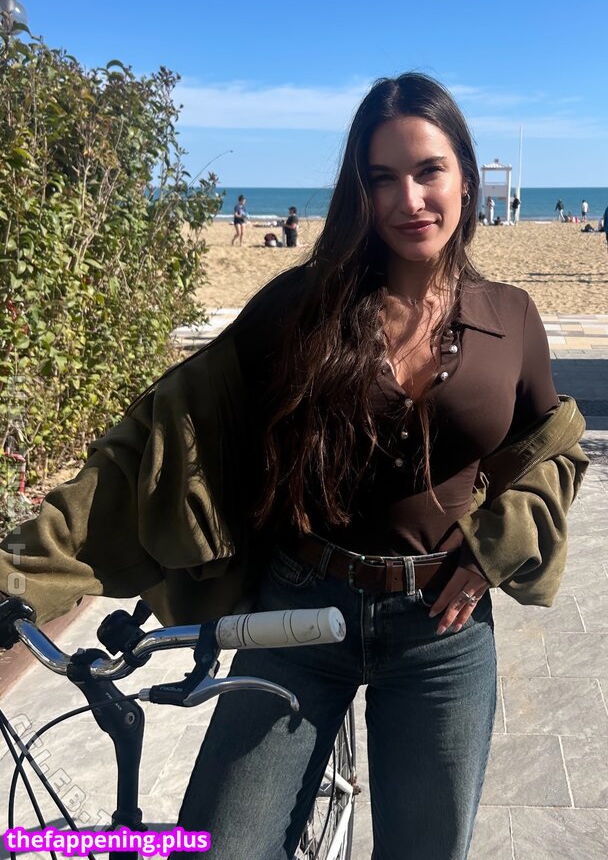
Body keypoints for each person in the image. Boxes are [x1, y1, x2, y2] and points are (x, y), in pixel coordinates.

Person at [0, 73, 588, 860]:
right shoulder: (300, 307)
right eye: (382, 178)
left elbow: (550, 449)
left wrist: (494, 552)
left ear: (467, 179)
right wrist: (23, 570)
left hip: (440, 634)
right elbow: (159, 439)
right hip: (299, 611)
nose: (410, 199)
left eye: (429, 171)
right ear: (360, 193)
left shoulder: (510, 315)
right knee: (221, 846)